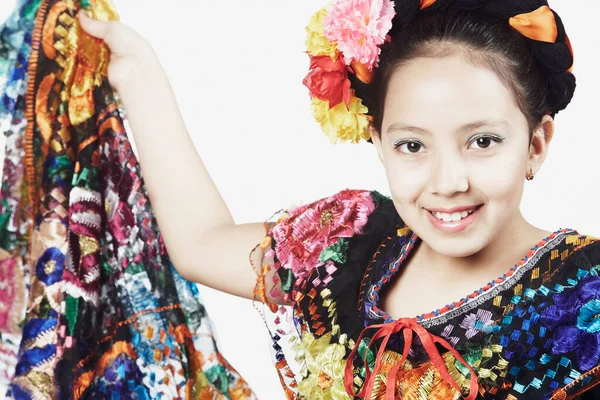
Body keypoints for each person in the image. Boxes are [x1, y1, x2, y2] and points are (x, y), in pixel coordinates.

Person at [77, 0, 600, 399]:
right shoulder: (345, 244)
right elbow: (199, 243)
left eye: (482, 142)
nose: (448, 181)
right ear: (378, 143)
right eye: (412, 145)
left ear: (535, 144)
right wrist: (138, 72)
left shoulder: (586, 297)